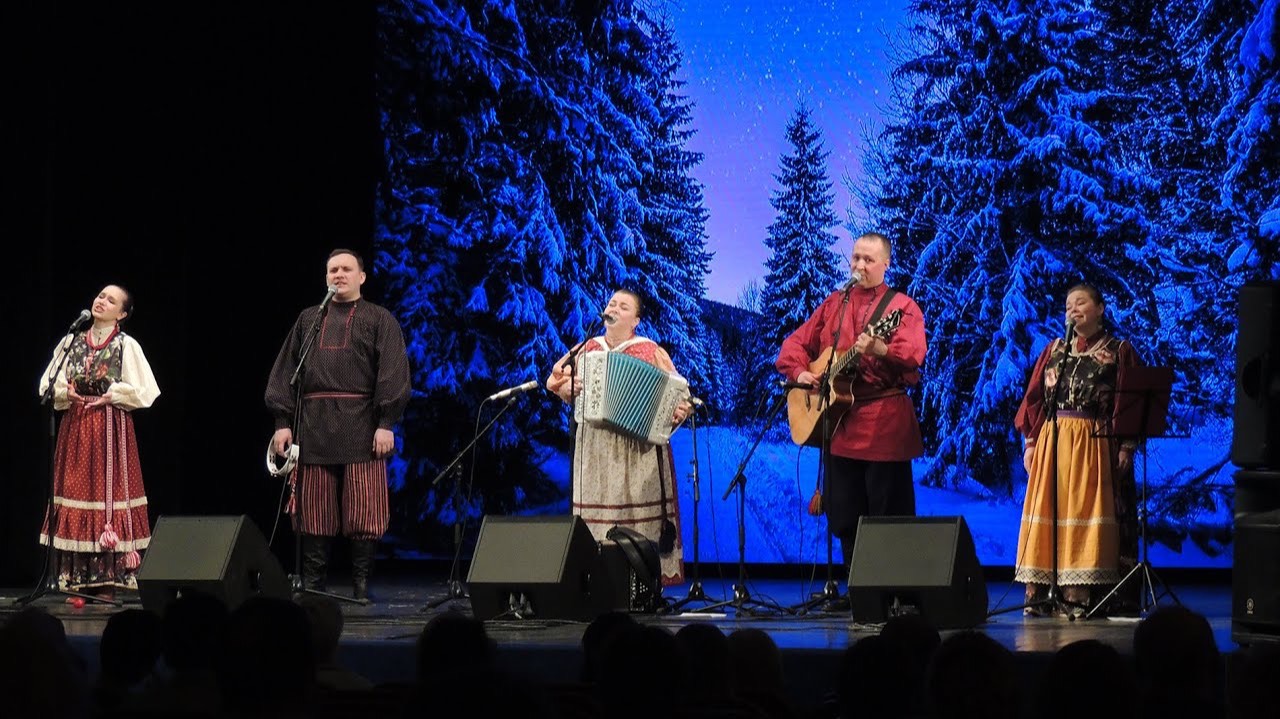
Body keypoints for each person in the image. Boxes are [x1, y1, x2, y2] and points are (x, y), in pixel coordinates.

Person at [265, 249, 411, 601]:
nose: (339, 274)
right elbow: (286, 372)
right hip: (313, 426)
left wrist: (386, 422)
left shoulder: (379, 319)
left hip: (362, 426)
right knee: (314, 510)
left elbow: (393, 372)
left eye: (347, 269)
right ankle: (314, 584)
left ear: (362, 276)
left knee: (364, 509)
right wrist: (282, 421)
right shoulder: (308, 319)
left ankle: (361, 585)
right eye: (333, 269)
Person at [776, 232, 927, 570]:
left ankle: (892, 594)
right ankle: (856, 590)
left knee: (888, 515)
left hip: (884, 426)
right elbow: (794, 345)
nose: (859, 265)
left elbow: (915, 355)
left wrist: (881, 349)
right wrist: (800, 373)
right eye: (856, 257)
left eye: (868, 259)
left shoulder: (902, 307)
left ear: (886, 265)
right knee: (845, 514)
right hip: (840, 424)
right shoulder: (836, 302)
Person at [545, 289, 690, 585]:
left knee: (638, 519)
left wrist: (678, 410)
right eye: (612, 303)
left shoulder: (651, 351)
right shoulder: (587, 347)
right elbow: (553, 379)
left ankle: (644, 586)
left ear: (635, 320)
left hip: (639, 451)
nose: (614, 307)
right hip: (595, 449)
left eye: (623, 306)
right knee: (596, 525)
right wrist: (563, 390)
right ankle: (598, 584)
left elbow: (682, 396)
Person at [1014, 283, 1138, 616]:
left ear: (1100, 308)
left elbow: (1129, 399)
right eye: (1068, 305)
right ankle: (1042, 596)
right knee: (1052, 513)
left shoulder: (1117, 350)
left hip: (1093, 442)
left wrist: (1126, 447)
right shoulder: (1055, 349)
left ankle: (1081, 596)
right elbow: (1035, 398)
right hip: (1053, 442)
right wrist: (1030, 442)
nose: (1073, 309)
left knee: (1085, 513)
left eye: (1081, 302)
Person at [38, 284, 159, 599]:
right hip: (76, 427)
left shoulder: (125, 345)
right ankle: (76, 578)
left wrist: (114, 394)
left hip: (110, 430)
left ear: (122, 313)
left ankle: (107, 581)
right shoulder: (72, 342)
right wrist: (66, 392)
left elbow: (147, 391)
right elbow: (47, 385)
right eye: (100, 295)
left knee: (108, 498)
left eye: (111, 299)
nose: (101, 300)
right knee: (76, 494)